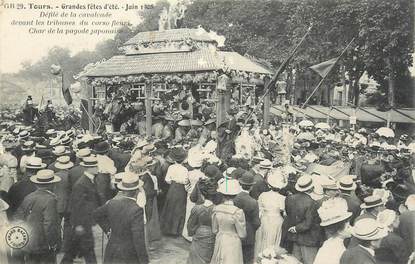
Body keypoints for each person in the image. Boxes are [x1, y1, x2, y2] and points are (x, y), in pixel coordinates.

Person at [93, 172, 149, 264]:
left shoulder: (111, 203)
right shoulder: (137, 210)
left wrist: (107, 229)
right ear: (137, 191)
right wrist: (144, 260)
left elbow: (96, 214)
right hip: (129, 254)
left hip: (112, 249)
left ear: (123, 190)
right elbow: (138, 239)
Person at [15, 169, 61, 264]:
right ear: (52, 184)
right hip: (43, 244)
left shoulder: (29, 197)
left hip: (29, 242)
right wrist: (53, 243)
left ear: (37, 184)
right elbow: (50, 224)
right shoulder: (50, 199)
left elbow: (18, 217)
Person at [61, 156, 101, 264]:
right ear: (89, 168)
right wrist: (78, 224)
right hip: (82, 222)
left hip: (85, 221)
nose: (98, 168)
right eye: (95, 166)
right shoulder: (81, 184)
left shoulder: (90, 180)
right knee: (88, 249)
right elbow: (76, 206)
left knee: (73, 250)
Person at [283, 175, 323, 264]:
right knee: (309, 261)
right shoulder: (312, 203)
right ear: (312, 188)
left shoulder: (289, 198)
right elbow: (308, 224)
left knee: (294, 261)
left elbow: (289, 214)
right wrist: (297, 228)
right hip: (308, 239)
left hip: (294, 236)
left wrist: (294, 228)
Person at [210, 179, 246, 264]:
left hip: (220, 238)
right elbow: (242, 234)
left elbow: (214, 230)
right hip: (233, 240)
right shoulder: (237, 212)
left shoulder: (216, 209)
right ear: (236, 195)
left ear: (222, 195)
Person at [254, 169, 287, 263]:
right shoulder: (282, 198)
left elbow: (259, 208)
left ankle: (262, 258)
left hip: (265, 219)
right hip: (276, 220)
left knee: (262, 239)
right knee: (273, 240)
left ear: (269, 185)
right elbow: (284, 212)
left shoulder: (263, 195)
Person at [314, 198, 353, 264]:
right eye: (348, 227)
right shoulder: (335, 248)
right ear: (339, 231)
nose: (351, 228)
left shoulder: (330, 242)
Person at [186, 178, 216, 264]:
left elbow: (190, 225)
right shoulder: (216, 209)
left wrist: (192, 232)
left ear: (202, 194)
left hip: (199, 234)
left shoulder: (197, 208)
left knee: (195, 258)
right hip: (212, 235)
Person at [161, 147, 189, 236]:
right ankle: (176, 230)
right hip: (181, 189)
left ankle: (167, 229)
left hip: (172, 188)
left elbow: (167, 180)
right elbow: (185, 181)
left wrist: (173, 182)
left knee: (170, 207)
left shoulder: (171, 167)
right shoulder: (185, 169)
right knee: (179, 209)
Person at [234, 172, 260, 264]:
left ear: (240, 184)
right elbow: (257, 223)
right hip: (248, 232)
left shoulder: (235, 198)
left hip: (235, 230)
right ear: (251, 186)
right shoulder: (253, 202)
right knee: (247, 258)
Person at [183, 151, 206, 241]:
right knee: (197, 215)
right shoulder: (203, 175)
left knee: (188, 212)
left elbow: (186, 183)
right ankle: (195, 233)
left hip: (190, 195)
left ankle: (186, 233)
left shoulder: (189, 173)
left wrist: (188, 190)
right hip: (199, 196)